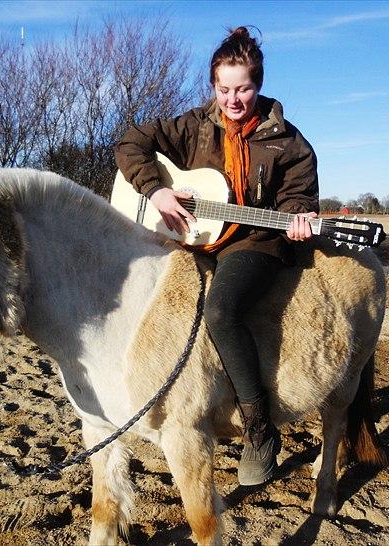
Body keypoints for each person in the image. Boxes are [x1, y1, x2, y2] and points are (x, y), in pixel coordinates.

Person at [114, 26, 319, 486]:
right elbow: (131, 143)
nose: (232, 99)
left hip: (255, 241)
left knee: (222, 311)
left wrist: (299, 218)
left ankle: (260, 430)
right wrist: (157, 190)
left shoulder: (288, 141)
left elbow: (299, 198)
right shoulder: (194, 125)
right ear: (213, 87)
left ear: (259, 84)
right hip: (192, 236)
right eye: (223, 89)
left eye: (242, 88)